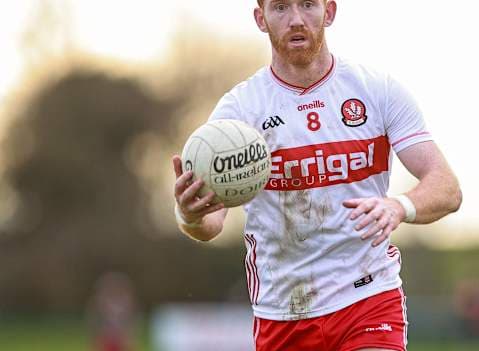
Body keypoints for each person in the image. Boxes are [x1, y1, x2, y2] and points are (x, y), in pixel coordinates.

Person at [172, 1, 462, 350]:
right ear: (260, 19)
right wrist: (189, 215)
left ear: (330, 11)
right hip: (284, 311)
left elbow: (446, 187)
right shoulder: (239, 113)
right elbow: (211, 223)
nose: (296, 19)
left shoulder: (377, 91)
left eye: (308, 4)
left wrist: (398, 206)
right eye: (280, 7)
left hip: (368, 296)